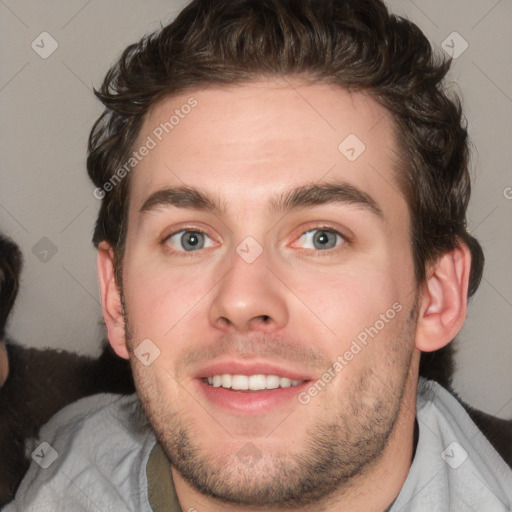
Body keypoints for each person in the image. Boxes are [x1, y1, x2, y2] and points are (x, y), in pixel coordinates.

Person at [5, 0, 512, 510]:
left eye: (322, 237)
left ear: (436, 297)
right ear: (116, 299)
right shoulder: (60, 462)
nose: (243, 300)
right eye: (190, 238)